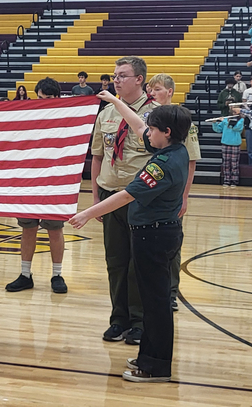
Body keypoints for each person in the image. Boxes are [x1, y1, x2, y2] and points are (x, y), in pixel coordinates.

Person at [71, 104, 192, 383]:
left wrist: (89, 212)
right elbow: (139, 128)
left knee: (156, 303)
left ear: (167, 132)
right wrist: (116, 102)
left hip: (154, 236)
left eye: (153, 129)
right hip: (156, 233)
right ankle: (148, 356)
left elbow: (127, 195)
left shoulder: (162, 165)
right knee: (151, 301)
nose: (147, 133)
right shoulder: (174, 150)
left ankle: (157, 366)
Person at [91, 56, 156, 345]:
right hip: (109, 194)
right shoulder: (105, 113)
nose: (115, 80)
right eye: (115, 76)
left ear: (139, 79)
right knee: (115, 261)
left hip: (140, 197)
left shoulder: (156, 113)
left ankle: (140, 321)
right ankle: (118, 319)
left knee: (138, 263)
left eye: (122, 76)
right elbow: (98, 155)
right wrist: (95, 197)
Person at [5, 78, 69, 294]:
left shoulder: (68, 118)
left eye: (48, 99)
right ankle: (25, 274)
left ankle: (57, 274)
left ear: (57, 98)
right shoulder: (28, 115)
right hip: (30, 180)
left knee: (55, 229)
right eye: (40, 98)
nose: (43, 102)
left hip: (55, 181)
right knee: (28, 228)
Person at [145, 72, 201, 310]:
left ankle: (170, 291)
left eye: (156, 89)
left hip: (170, 190)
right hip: (148, 186)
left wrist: (184, 196)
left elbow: (191, 161)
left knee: (172, 243)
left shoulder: (182, 120)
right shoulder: (145, 117)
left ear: (169, 92)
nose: (152, 94)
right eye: (150, 89)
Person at [212, 111, 245, 188]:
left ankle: (234, 181)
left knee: (234, 164)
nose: (234, 112)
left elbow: (236, 128)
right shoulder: (226, 119)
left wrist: (224, 121)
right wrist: (214, 123)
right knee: (226, 163)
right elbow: (218, 129)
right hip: (225, 143)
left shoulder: (241, 120)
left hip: (235, 144)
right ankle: (226, 180)